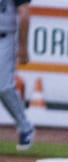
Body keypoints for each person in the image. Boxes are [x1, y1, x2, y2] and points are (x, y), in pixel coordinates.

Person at [1, 0, 33, 152]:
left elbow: (24, 14)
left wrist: (23, 47)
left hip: (5, 37)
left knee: (4, 87)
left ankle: (25, 127)